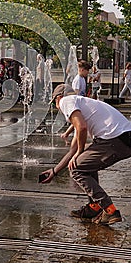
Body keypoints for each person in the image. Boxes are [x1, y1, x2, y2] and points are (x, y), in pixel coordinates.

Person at [39, 83, 131, 225]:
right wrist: (54, 171)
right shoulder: (82, 107)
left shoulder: (66, 101)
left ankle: (110, 210)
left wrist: (80, 152)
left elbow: (81, 129)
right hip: (122, 138)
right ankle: (94, 207)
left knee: (76, 169)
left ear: (58, 98)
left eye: (54, 104)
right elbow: (73, 151)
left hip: (114, 139)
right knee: (83, 163)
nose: (57, 108)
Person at [61, 60, 91, 145]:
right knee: (78, 124)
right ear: (82, 69)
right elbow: (76, 93)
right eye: (87, 70)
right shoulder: (78, 79)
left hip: (80, 102)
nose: (88, 73)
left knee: (78, 123)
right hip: (77, 103)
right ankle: (75, 144)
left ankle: (66, 135)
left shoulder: (82, 79)